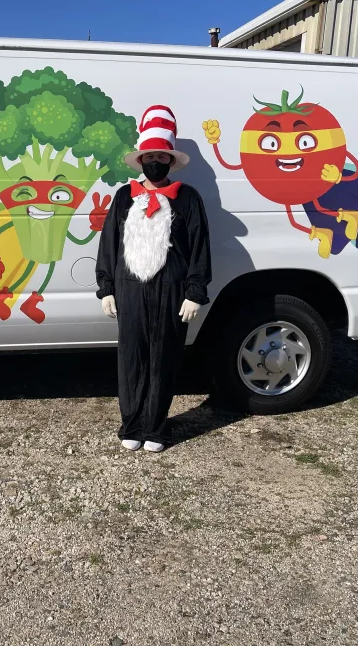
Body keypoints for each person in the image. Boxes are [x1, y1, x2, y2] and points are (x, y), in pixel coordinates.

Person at [95, 105, 212, 453]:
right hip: (130, 289)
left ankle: (156, 427)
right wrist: (107, 288)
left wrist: (194, 291)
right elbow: (109, 245)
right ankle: (132, 423)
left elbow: (199, 247)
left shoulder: (188, 198)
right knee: (132, 356)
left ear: (171, 161)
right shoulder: (123, 197)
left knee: (165, 356)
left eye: (162, 156)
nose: (155, 162)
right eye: (150, 156)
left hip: (172, 290)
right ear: (142, 160)